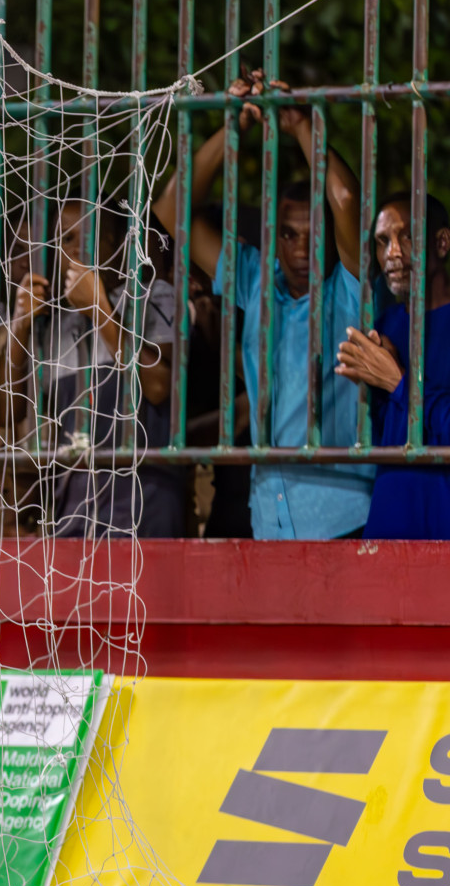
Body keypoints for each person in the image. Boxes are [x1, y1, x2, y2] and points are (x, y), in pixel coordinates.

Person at [153, 70, 373, 539]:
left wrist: (300, 127)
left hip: (344, 516)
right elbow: (171, 212)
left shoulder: (349, 288)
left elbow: (347, 197)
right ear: (271, 236)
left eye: (314, 235)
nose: (299, 249)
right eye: (289, 235)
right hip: (268, 514)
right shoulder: (255, 279)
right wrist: (232, 128)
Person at [6, 199, 183, 537]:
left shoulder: (152, 297)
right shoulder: (54, 326)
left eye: (86, 237)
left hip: (145, 503)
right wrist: (20, 327)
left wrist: (101, 310)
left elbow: (159, 389)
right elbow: (9, 411)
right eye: (65, 239)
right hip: (75, 507)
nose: (74, 250)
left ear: (114, 244)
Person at [336, 192, 450, 538]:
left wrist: (398, 382)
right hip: (390, 524)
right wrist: (373, 386)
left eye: (406, 236)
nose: (392, 253)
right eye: (383, 241)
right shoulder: (385, 325)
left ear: (442, 242)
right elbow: (388, 435)